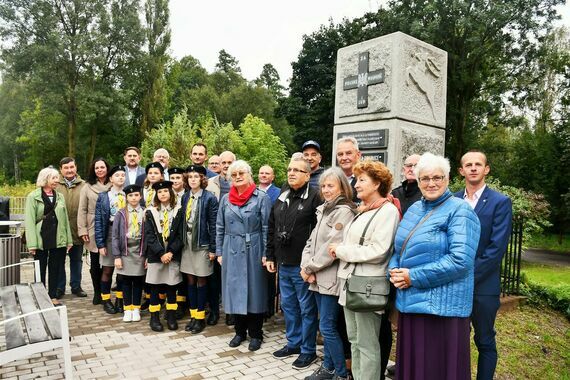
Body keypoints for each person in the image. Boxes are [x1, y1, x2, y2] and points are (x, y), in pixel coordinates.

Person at [388, 152, 481, 380]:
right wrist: (394, 270)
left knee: (436, 368)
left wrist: (413, 277)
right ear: (417, 181)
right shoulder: (414, 210)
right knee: (414, 367)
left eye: (437, 177)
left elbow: (460, 260)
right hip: (411, 303)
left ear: (448, 179)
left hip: (442, 309)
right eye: (425, 178)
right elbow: (399, 248)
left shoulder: (460, 210)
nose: (431, 183)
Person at [328, 160, 400, 380]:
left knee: (367, 344)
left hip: (367, 287)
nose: (356, 185)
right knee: (355, 341)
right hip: (351, 284)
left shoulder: (387, 212)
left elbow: (378, 250)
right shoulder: (365, 210)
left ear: (377, 183)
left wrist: (341, 251)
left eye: (361, 180)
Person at [456, 150, 512, 380]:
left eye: (478, 164)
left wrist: (467, 275)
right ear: (461, 171)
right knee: (456, 340)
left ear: (486, 169)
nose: (473, 168)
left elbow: (496, 249)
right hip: (455, 288)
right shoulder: (452, 200)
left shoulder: (500, 202)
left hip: (483, 287)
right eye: (468, 164)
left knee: (484, 340)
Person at [301, 167, 357, 380]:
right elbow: (311, 241)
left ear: (342, 187)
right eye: (323, 185)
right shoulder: (323, 209)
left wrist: (310, 268)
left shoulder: (344, 211)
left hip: (330, 278)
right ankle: (328, 368)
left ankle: (341, 374)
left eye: (330, 185)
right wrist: (306, 266)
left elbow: (331, 248)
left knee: (328, 327)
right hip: (316, 276)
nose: (325, 189)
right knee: (326, 326)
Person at [266, 157, 322, 369]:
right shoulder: (282, 196)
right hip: (283, 263)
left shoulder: (315, 197)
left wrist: (312, 265)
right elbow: (271, 228)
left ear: (308, 175)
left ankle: (308, 350)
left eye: (298, 170)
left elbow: (319, 234)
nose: (291, 173)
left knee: (307, 309)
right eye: (289, 169)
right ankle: (294, 343)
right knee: (289, 307)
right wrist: (270, 255)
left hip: (303, 267)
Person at [216, 160, 271, 351]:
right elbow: (220, 227)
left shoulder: (261, 198)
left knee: (254, 290)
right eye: (234, 174)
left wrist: (266, 253)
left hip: (253, 248)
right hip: (231, 248)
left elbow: (266, 228)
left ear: (249, 175)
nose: (238, 177)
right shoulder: (225, 199)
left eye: (242, 173)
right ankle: (239, 332)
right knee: (234, 290)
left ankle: (256, 333)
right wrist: (219, 252)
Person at [24, 167, 73, 306]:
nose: (57, 181)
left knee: (55, 267)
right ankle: (40, 297)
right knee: (40, 268)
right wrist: (32, 244)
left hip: (58, 237)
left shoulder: (60, 196)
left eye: (57, 178)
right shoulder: (33, 196)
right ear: (45, 179)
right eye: (54, 178)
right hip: (41, 238)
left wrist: (68, 240)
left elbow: (65, 220)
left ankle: (52, 296)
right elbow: (29, 221)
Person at [179, 165, 218, 334]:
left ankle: (201, 317)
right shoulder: (185, 196)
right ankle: (194, 315)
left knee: (201, 279)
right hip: (187, 244)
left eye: (196, 176)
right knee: (190, 280)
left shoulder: (209, 198)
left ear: (202, 179)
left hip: (202, 244)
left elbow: (214, 225)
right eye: (190, 177)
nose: (193, 179)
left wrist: (213, 248)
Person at [144, 181, 184, 332]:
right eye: (159, 192)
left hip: (172, 254)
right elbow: (149, 236)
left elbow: (181, 235)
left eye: (165, 191)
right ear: (156, 195)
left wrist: (171, 252)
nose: (162, 194)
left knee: (171, 286)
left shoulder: (178, 211)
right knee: (154, 286)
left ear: (171, 193)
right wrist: (161, 253)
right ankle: (154, 318)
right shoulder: (150, 212)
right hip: (156, 254)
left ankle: (171, 316)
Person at [207, 150, 235, 325]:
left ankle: (231, 311)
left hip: (233, 236)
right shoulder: (210, 184)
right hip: (214, 234)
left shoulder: (241, 182)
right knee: (213, 277)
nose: (225, 165)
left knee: (231, 276)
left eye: (229, 162)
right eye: (223, 162)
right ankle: (214, 312)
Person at [78, 158, 111, 305]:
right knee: (95, 262)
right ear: (93, 170)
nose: (99, 170)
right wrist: (82, 229)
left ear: (107, 168)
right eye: (97, 168)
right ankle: (97, 292)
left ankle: (106, 292)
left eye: (102, 167)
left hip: (110, 226)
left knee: (108, 263)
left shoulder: (114, 184)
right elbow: (82, 209)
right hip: (92, 226)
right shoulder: (87, 186)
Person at [95, 165, 127, 314]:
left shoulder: (129, 195)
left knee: (122, 271)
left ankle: (120, 299)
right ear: (111, 179)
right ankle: (106, 299)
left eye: (123, 175)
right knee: (107, 269)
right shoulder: (104, 197)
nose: (121, 177)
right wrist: (100, 243)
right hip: (109, 233)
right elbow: (99, 221)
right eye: (117, 175)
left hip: (125, 235)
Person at [111, 184, 146, 323]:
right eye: (130, 195)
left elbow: (149, 235)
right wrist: (117, 256)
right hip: (125, 251)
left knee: (137, 281)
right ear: (126, 197)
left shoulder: (145, 212)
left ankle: (136, 308)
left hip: (139, 251)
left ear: (141, 196)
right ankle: (127, 309)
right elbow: (114, 236)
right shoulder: (120, 213)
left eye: (136, 195)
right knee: (125, 281)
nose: (133, 198)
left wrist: (147, 256)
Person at [56, 157, 87, 298]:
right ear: (61, 170)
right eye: (66, 168)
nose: (69, 170)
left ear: (76, 167)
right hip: (59, 230)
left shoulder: (84, 185)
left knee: (76, 260)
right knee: (59, 260)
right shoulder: (55, 185)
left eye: (71, 167)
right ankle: (59, 287)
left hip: (77, 228)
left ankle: (76, 286)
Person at [336, 137, 361, 202]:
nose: (344, 158)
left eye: (348, 153)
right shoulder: (333, 179)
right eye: (340, 154)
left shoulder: (368, 179)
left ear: (358, 155)